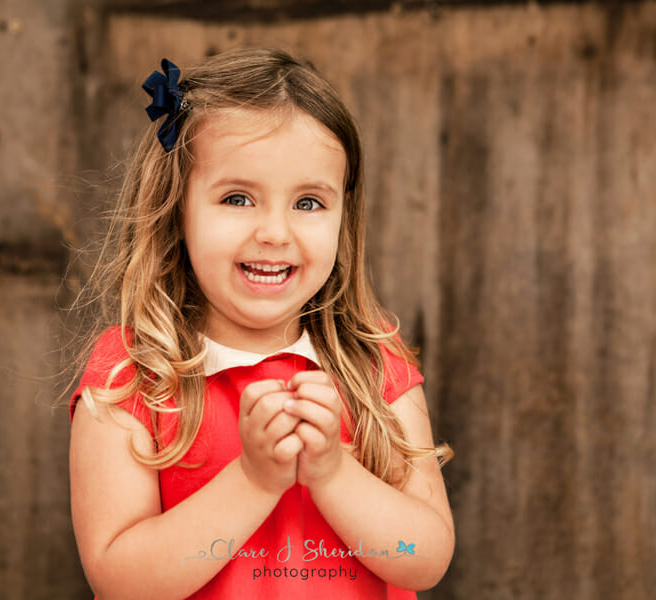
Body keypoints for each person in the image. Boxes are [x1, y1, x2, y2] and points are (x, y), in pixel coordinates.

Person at [68, 48, 454, 599]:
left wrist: (332, 476)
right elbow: (122, 582)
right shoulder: (132, 374)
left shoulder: (374, 363)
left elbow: (423, 558)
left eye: (309, 203)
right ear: (176, 209)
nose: (275, 232)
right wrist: (253, 481)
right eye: (238, 197)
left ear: (344, 219)